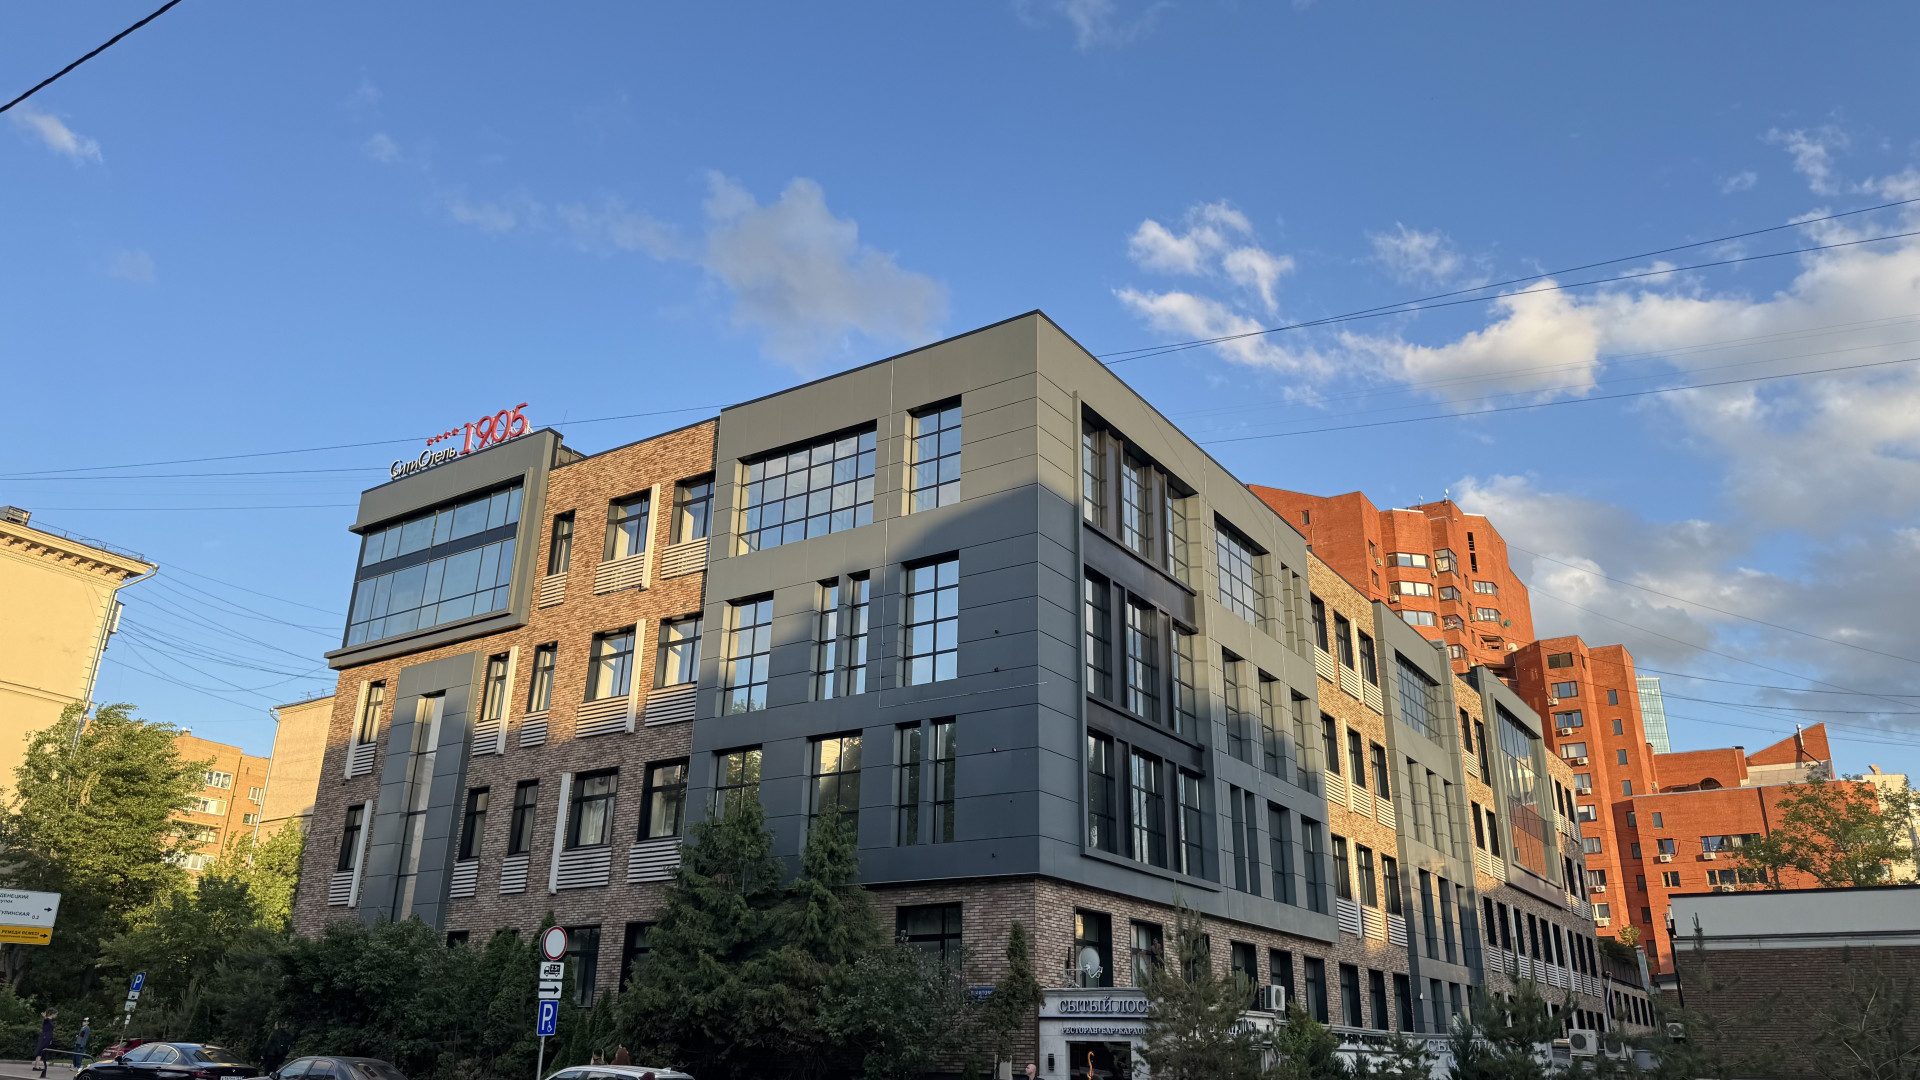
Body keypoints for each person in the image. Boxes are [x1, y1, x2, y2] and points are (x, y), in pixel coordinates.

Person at [32, 1009, 56, 1077]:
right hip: (45, 1037)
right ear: (52, 1014)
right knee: (41, 1050)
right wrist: (44, 1016)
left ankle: (36, 1066)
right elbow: (46, 1020)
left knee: (42, 1051)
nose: (56, 1016)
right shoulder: (47, 1020)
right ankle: (36, 1066)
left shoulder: (50, 1021)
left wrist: (50, 1039)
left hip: (47, 1037)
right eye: (55, 1014)